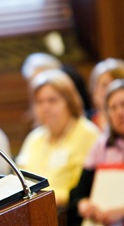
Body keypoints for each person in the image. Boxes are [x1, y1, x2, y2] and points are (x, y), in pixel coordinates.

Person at [61, 78, 124, 226]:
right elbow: (79, 191)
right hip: (97, 222)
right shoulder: (102, 145)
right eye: (112, 108)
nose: (119, 112)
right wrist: (83, 204)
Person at [16, 69, 100, 208]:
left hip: (66, 213)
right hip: (29, 207)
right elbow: (19, 179)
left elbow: (84, 189)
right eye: (39, 102)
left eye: (52, 100)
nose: (45, 107)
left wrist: (41, 199)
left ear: (69, 101)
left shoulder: (87, 134)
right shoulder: (35, 137)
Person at [88, 58, 124, 131]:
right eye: (104, 85)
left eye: (115, 84)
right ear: (94, 90)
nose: (110, 91)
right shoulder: (86, 125)